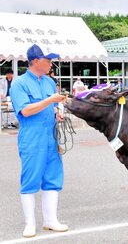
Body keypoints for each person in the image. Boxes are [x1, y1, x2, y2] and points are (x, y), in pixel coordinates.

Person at [9, 44, 68, 238]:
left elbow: (51, 105)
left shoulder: (49, 82)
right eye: (48, 60)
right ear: (36, 61)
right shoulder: (20, 83)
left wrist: (57, 111)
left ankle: (50, 220)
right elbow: (25, 110)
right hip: (32, 138)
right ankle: (30, 223)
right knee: (31, 179)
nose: (51, 64)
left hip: (51, 136)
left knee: (52, 178)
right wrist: (50, 101)